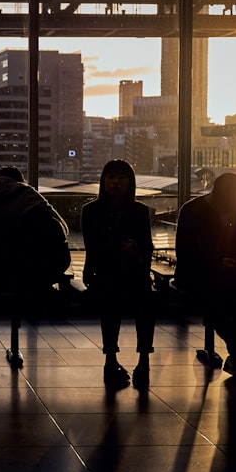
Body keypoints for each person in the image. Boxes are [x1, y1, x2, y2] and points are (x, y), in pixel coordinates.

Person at [0, 165, 71, 367]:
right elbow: (60, 229)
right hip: (22, 273)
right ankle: (43, 295)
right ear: (20, 181)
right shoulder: (27, 194)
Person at [174, 172, 236, 377]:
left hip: (225, 269)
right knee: (222, 297)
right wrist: (215, 261)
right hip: (196, 271)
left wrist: (224, 260)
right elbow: (185, 253)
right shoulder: (192, 210)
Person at [80, 159, 155, 389]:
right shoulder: (90, 211)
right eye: (111, 177)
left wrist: (135, 252)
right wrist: (120, 250)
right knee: (113, 295)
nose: (115, 182)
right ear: (103, 181)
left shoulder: (140, 211)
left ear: (130, 183)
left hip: (133, 270)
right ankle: (113, 359)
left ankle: (142, 358)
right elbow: (93, 248)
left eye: (121, 178)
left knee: (143, 298)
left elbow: (148, 246)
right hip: (104, 271)